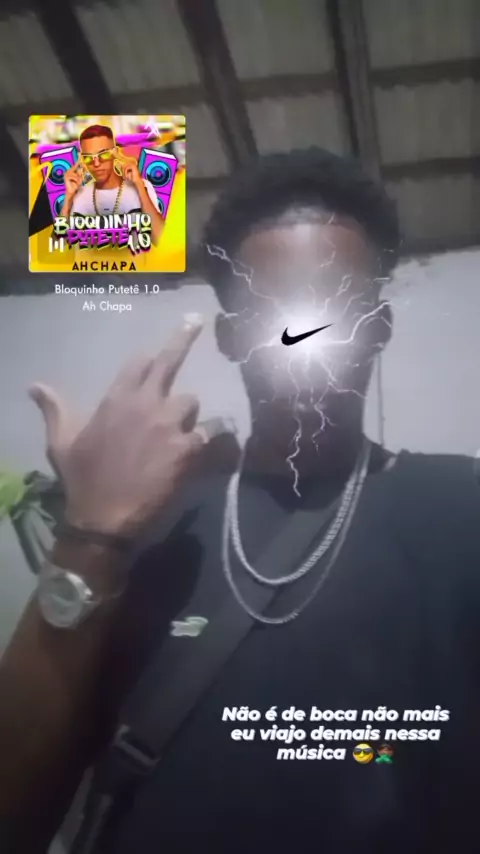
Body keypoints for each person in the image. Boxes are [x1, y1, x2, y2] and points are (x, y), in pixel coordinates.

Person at [1, 148, 480, 854]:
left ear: (379, 326)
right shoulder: (150, 522)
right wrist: (89, 533)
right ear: (228, 337)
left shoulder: (464, 509)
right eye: (269, 310)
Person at [60, 124, 164, 243]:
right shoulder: (78, 193)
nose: (96, 164)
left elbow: (161, 240)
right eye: (88, 158)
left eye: (103, 155)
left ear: (115, 153)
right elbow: (58, 247)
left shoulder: (142, 186)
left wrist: (139, 185)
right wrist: (68, 199)